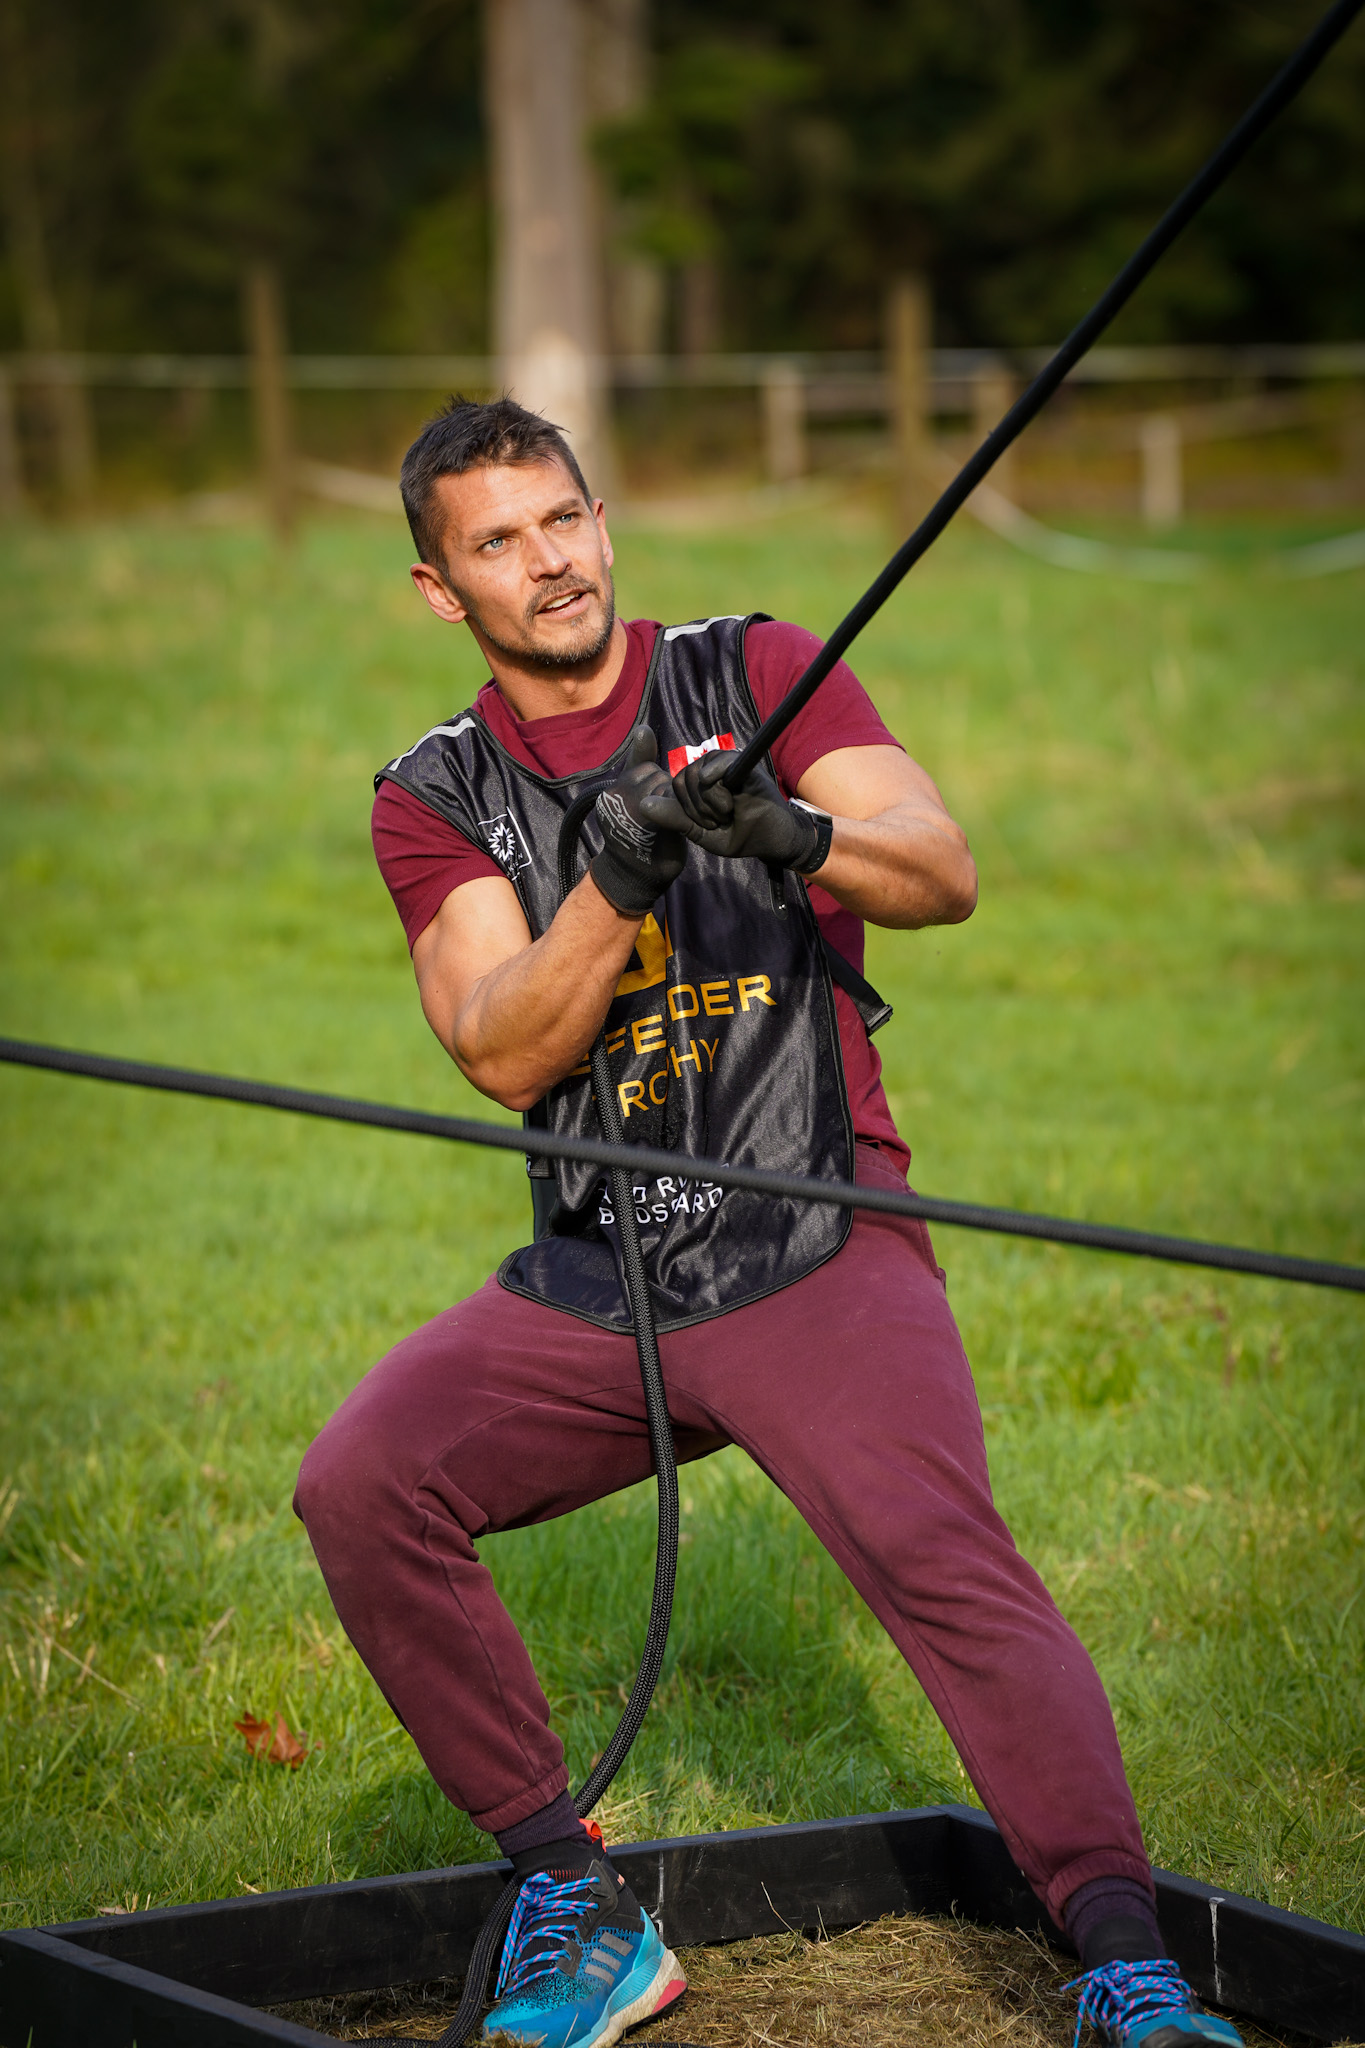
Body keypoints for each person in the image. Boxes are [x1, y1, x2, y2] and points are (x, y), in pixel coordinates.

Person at [295, 396, 1242, 2048]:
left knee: (941, 1564)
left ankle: (1121, 1964)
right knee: (364, 1482)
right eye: (498, 544)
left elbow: (938, 867)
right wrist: (621, 874)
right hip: (603, 1275)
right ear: (441, 591)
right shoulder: (432, 791)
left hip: (812, 1222)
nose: (549, 563)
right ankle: (573, 1905)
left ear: (604, 522)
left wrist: (792, 833)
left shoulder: (755, 666)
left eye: (563, 520)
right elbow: (501, 1045)